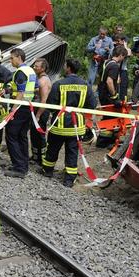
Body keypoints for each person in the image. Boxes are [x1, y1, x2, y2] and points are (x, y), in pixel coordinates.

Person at [41, 59, 95, 187]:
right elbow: (92, 105)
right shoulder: (86, 85)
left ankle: (47, 171)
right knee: (72, 152)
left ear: (69, 68)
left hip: (59, 125)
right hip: (77, 127)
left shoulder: (59, 84)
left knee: (53, 149)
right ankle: (69, 180)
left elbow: (51, 105)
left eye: (65, 66)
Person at [5, 48, 37, 178]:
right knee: (22, 136)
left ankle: (19, 168)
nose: (10, 61)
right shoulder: (31, 71)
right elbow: (35, 88)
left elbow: (20, 92)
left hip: (19, 108)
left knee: (11, 136)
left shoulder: (21, 72)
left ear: (19, 57)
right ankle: (23, 165)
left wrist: (12, 110)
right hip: (28, 107)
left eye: (11, 58)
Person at [30, 58, 52, 165]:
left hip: (41, 111)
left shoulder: (43, 81)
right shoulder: (39, 78)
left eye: (36, 66)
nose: (34, 67)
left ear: (42, 68)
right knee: (34, 134)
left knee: (39, 135)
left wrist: (38, 115)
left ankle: (42, 159)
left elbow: (44, 100)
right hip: (36, 110)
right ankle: (35, 156)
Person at [111, 33, 132, 100]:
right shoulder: (114, 49)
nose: (117, 42)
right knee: (115, 86)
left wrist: (125, 45)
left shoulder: (127, 49)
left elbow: (128, 54)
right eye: (116, 41)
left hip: (123, 70)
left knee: (123, 87)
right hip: (115, 69)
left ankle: (123, 101)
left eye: (119, 41)